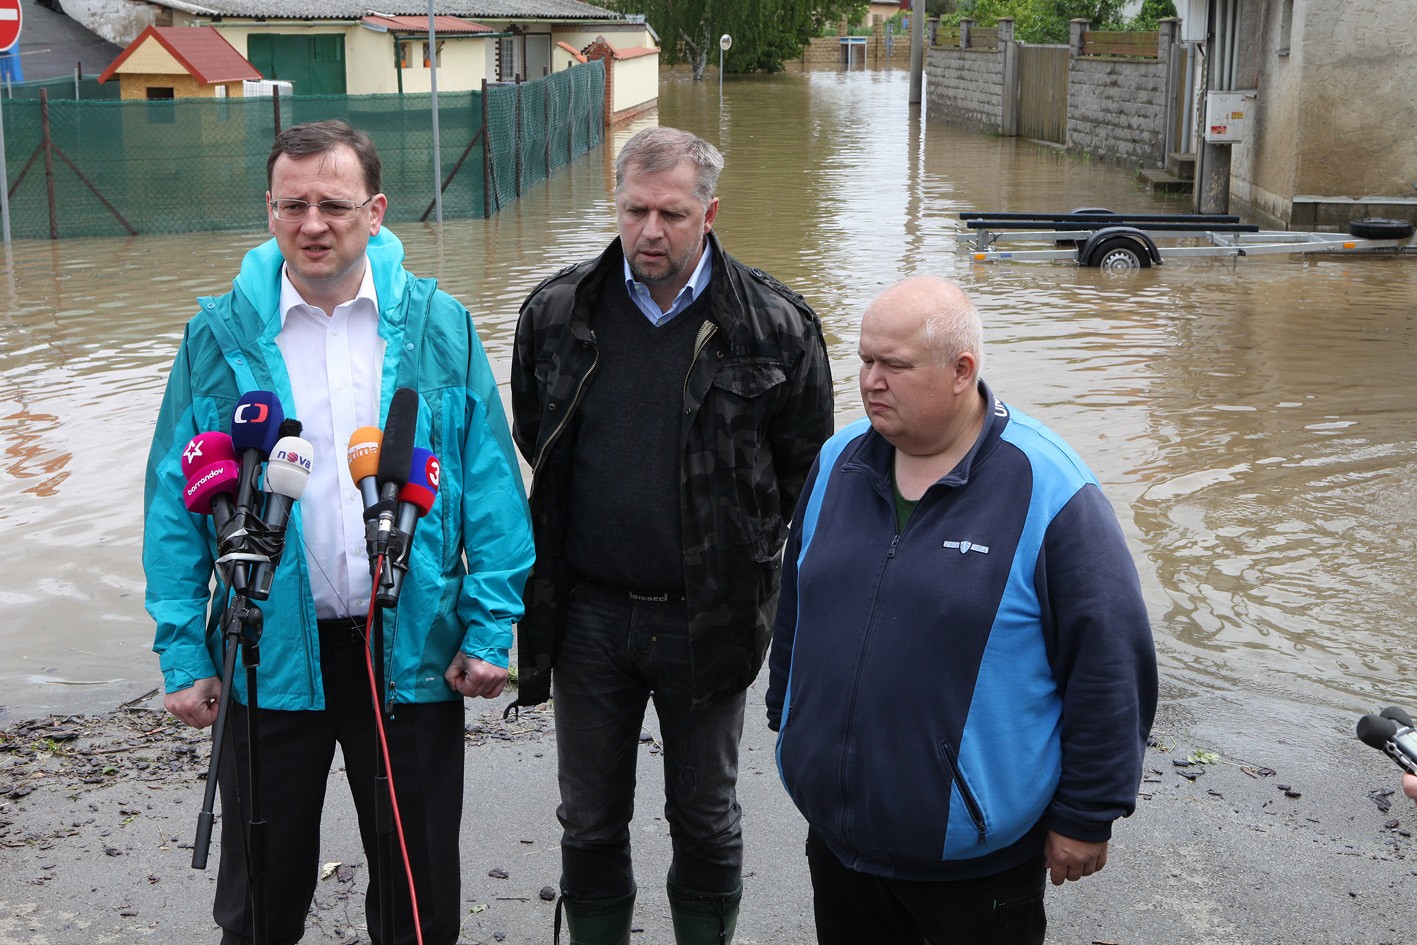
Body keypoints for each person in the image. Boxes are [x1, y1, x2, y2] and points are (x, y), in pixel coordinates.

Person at [143, 119, 534, 945]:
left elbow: (494, 489)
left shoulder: (439, 325)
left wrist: (491, 624)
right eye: (293, 204)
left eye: (332, 203)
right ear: (271, 210)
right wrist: (184, 652)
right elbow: (174, 503)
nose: (311, 223)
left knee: (416, 894)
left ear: (377, 211)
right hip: (266, 654)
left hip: (409, 649)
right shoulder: (218, 334)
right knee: (260, 898)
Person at [507, 126, 834, 944]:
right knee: (586, 818)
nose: (651, 231)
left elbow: (805, 470)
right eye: (635, 210)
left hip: (710, 614)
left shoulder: (777, 326)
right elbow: (532, 433)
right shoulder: (556, 313)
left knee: (706, 815)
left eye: (673, 214)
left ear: (710, 212)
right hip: (587, 615)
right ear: (616, 205)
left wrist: (740, 553)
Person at [765, 276, 1157, 945]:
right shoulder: (836, 462)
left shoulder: (1049, 489)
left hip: (974, 863)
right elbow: (798, 603)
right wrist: (788, 716)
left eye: (893, 365)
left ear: (960, 371)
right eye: (863, 360)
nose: (869, 381)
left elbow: (1109, 661)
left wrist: (1087, 813)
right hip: (839, 839)